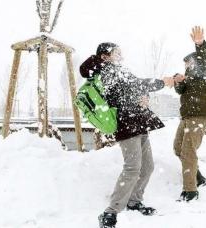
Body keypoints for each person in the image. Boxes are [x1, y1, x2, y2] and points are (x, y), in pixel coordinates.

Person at [80, 42, 174, 228]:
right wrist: (162, 82)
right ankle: (111, 212)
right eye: (117, 52)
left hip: (138, 122)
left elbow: (135, 87)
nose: (121, 55)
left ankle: (134, 201)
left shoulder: (119, 69)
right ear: (105, 56)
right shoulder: (106, 71)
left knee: (147, 166)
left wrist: (144, 97)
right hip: (127, 124)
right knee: (132, 168)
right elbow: (131, 87)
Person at [173, 26, 206, 202]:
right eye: (185, 65)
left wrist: (200, 44)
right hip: (187, 116)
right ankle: (198, 177)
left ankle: (190, 191)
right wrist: (179, 81)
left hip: (200, 116)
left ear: (196, 62)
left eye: (188, 64)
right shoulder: (190, 78)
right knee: (178, 148)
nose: (186, 67)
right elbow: (181, 91)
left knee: (188, 151)